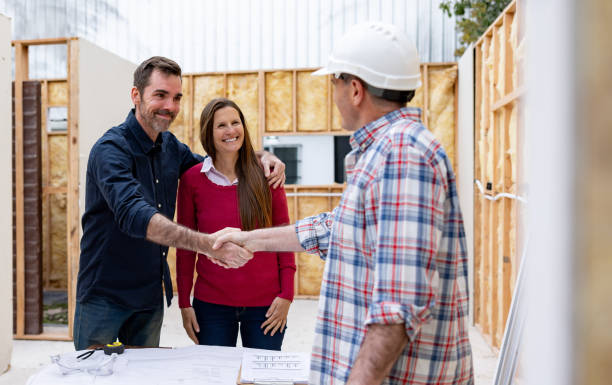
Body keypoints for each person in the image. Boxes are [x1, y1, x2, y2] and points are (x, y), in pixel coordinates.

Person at [213, 22, 474, 385]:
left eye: (333, 83)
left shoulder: (401, 155)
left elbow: (396, 310)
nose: (332, 93)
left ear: (354, 89)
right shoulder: (385, 151)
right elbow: (335, 228)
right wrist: (249, 240)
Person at [74, 56, 286, 351]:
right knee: (95, 376)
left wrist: (263, 157)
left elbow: (222, 164)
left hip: (148, 298)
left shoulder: (171, 148)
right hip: (105, 296)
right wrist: (206, 244)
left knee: (145, 375)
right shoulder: (111, 150)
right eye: (160, 95)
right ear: (136, 95)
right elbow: (134, 214)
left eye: (176, 98)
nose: (170, 106)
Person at [176, 98, 295, 350]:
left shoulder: (267, 175)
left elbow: (284, 239)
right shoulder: (191, 180)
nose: (230, 130)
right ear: (209, 132)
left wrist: (287, 295)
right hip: (211, 307)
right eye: (221, 125)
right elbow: (186, 247)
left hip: (266, 305)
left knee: (263, 378)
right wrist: (184, 302)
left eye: (235, 122)